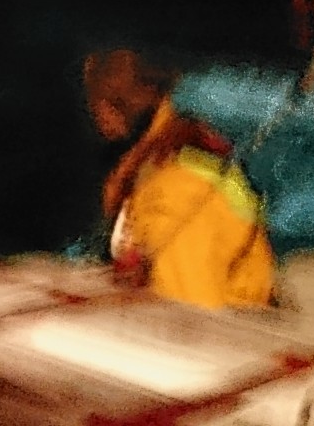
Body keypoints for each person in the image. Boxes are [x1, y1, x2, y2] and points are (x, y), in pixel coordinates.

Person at [83, 49, 276, 310]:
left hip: (225, 335)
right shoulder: (153, 164)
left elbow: (188, 324)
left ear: (108, 111)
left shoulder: (172, 187)